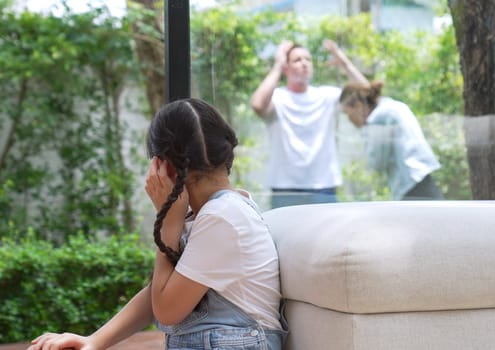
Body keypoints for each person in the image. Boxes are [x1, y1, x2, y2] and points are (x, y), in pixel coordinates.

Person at [27, 98, 288, 350]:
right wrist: (94, 341)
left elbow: (166, 311)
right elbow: (160, 293)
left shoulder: (222, 217)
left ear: (163, 166)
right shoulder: (213, 213)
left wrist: (168, 225)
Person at [250, 39, 368, 209]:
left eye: (308, 59)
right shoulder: (277, 97)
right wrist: (277, 65)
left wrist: (344, 63)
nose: (304, 63)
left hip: (323, 186)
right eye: (297, 60)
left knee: (327, 236)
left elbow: (366, 92)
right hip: (285, 188)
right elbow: (257, 105)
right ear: (286, 68)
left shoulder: (326, 96)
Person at [339, 81, 444, 200]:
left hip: (410, 185)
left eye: (347, 113)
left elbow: (377, 163)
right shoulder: (392, 106)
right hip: (422, 179)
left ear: (358, 106)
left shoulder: (379, 119)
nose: (349, 119)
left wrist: (364, 129)